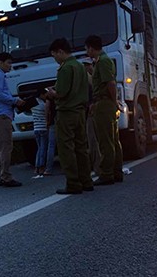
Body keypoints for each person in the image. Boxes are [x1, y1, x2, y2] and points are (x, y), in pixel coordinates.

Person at [46, 38, 93, 194]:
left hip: (67, 112)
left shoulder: (65, 68)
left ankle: (73, 183)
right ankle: (86, 181)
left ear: (60, 51)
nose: (55, 59)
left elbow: (61, 93)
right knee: (81, 148)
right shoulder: (80, 66)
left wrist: (52, 93)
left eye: (54, 55)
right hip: (80, 111)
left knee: (66, 149)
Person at [85, 35, 124, 186]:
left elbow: (110, 84)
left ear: (91, 48)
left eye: (87, 49)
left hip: (105, 104)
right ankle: (116, 172)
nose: (87, 52)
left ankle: (107, 173)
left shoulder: (103, 62)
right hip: (103, 102)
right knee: (112, 139)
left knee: (105, 140)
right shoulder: (101, 61)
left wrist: (114, 102)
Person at [0, 52, 25, 187]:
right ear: (0, 62)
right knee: (5, 147)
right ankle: (5, 177)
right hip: (2, 114)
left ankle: (1, 176)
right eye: (8, 63)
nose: (10, 66)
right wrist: (14, 100)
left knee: (0, 147)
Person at [83, 59, 101, 177]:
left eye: (87, 65)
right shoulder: (92, 78)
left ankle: (99, 168)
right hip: (94, 112)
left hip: (92, 113)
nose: (86, 67)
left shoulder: (91, 79)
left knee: (93, 141)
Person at [32, 90, 48, 176]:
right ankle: (42, 167)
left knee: (39, 148)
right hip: (43, 128)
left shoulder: (33, 105)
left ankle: (36, 167)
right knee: (43, 148)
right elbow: (46, 115)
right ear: (41, 94)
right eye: (45, 94)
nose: (46, 96)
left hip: (36, 128)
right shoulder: (43, 105)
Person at [43, 97, 56, 176]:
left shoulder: (50, 95)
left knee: (51, 145)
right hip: (62, 120)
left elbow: (47, 108)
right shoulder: (62, 90)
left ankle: (48, 169)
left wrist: (47, 120)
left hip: (52, 122)